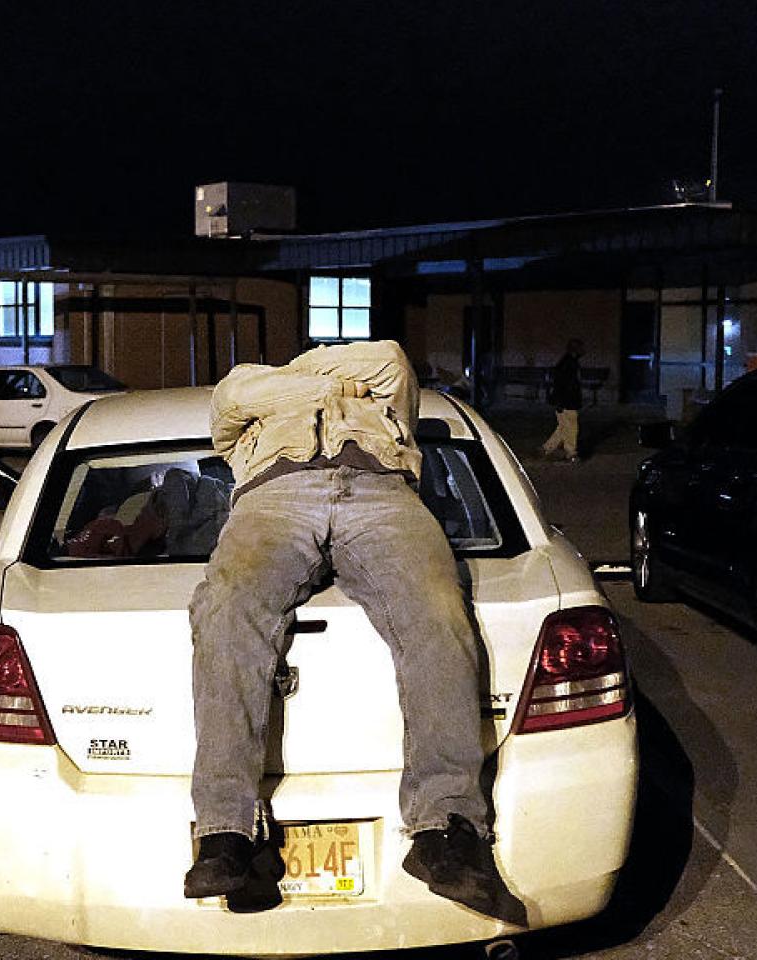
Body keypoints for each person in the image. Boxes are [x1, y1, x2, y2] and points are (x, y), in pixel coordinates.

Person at [182, 339, 526, 923]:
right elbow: (233, 398)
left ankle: (446, 829)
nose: (321, 361)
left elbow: (390, 361)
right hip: (274, 496)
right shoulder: (247, 379)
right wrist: (332, 383)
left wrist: (289, 382)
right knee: (225, 607)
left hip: (381, 493)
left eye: (331, 355)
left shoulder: (366, 375)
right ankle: (225, 830)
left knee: (440, 610)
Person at [540, 338, 585, 462]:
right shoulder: (569, 364)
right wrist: (561, 401)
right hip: (567, 402)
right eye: (581, 348)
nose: (583, 350)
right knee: (571, 428)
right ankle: (571, 453)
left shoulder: (567, 362)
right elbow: (563, 384)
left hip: (565, 401)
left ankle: (547, 448)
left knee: (563, 427)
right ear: (575, 349)